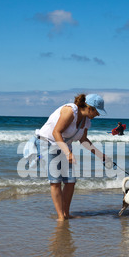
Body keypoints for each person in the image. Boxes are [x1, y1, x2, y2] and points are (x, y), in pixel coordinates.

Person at [35, 93, 111, 221]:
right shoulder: (70, 111)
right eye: (97, 112)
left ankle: (66, 213)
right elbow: (56, 132)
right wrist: (67, 153)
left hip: (63, 145)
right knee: (55, 181)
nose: (98, 115)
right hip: (47, 143)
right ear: (89, 108)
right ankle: (61, 217)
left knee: (70, 181)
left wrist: (101, 155)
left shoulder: (86, 120)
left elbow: (83, 140)